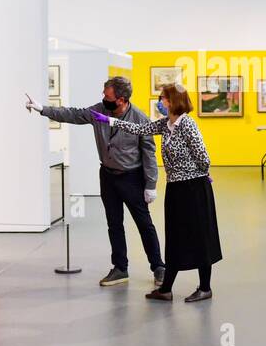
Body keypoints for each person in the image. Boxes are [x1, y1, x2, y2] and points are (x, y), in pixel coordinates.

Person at [25, 76, 164, 287]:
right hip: (108, 176)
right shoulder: (100, 110)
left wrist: (151, 185)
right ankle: (120, 268)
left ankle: (158, 267)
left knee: (144, 224)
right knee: (114, 224)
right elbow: (73, 114)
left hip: (132, 178)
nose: (103, 98)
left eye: (107, 95)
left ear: (121, 99)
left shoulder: (140, 120)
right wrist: (42, 109)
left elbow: (149, 155)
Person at [91, 82, 222, 303]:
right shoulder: (166, 124)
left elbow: (203, 157)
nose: (160, 101)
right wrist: (111, 120)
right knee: (174, 236)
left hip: (194, 187)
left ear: (172, 101)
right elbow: (140, 129)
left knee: (199, 236)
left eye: (162, 98)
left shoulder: (187, 124)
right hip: (175, 188)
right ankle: (166, 289)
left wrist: (203, 173)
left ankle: (205, 287)